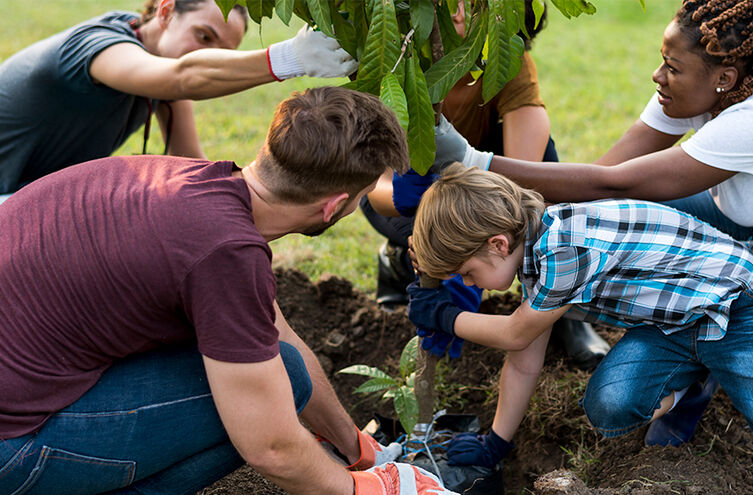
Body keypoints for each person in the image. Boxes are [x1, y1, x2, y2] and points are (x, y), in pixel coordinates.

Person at [432, 0, 753, 427]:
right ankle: (721, 337)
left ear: (724, 76)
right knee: (621, 226)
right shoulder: (699, 89)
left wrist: (476, 162)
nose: (658, 75)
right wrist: (499, 230)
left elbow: (616, 183)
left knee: (638, 366)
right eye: (663, 60)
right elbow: (605, 183)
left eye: (672, 68)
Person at [0, 87, 456, 495]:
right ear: (335, 205)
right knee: (275, 397)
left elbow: (279, 337)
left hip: (23, 388)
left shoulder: (194, 183)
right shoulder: (225, 253)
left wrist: (359, 449)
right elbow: (271, 448)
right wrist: (370, 490)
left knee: (277, 372)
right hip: (13, 446)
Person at [406, 163, 753, 495]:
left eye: (467, 274)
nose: (469, 285)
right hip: (670, 325)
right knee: (609, 407)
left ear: (498, 242)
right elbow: (524, 359)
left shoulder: (564, 247)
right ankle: (697, 382)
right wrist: (496, 443)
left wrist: (443, 316)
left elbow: (514, 334)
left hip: (737, 307)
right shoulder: (537, 260)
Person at [362, 0, 609, 369]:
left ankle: (560, 311)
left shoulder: (503, 55)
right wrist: (402, 196)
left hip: (488, 194)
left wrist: (476, 239)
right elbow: (369, 186)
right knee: (421, 227)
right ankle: (401, 261)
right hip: (413, 199)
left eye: (470, 2)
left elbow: (524, 179)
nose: (457, 11)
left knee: (544, 167)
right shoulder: (392, 62)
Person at [0, 0, 358, 203]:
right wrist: (290, 58)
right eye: (203, 36)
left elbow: (191, 164)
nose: (212, 57)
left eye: (224, 53)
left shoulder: (159, 68)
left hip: (22, 202)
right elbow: (184, 76)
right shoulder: (101, 47)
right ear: (166, 11)